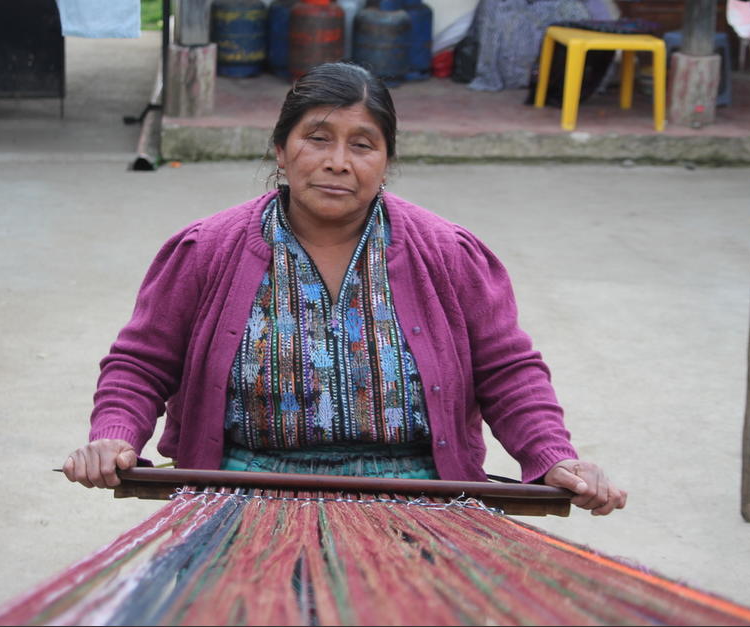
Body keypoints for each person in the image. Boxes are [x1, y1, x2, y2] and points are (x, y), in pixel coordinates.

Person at [63, 62, 626, 516]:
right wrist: (115, 435)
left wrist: (552, 456)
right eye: (317, 138)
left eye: (362, 144)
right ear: (281, 151)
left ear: (386, 162)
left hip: (419, 501)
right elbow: (141, 362)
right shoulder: (206, 250)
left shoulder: (448, 254)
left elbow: (508, 370)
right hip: (243, 496)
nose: (338, 162)